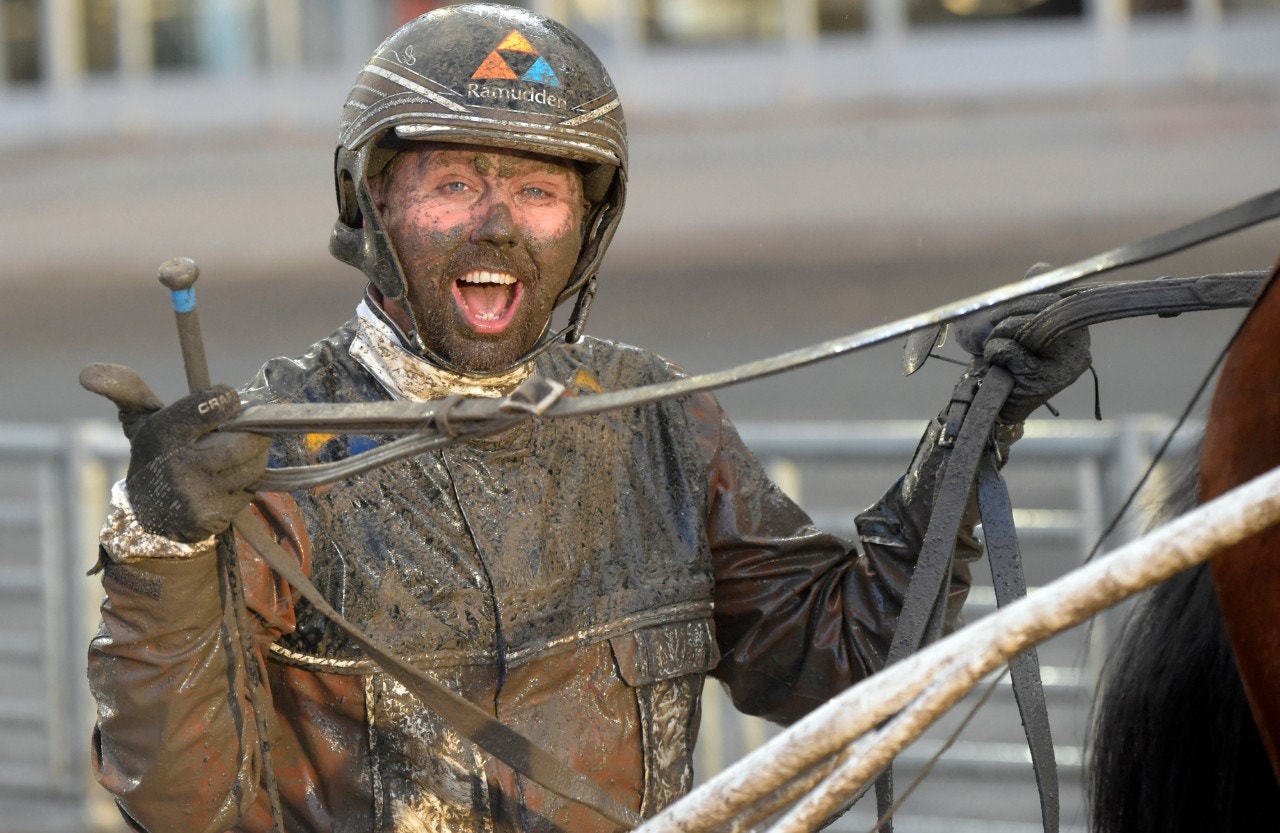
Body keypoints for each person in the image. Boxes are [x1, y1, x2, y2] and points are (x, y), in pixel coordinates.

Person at [83, 4, 1091, 833]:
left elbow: (838, 656)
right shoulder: (265, 457)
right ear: (370, 207)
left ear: (587, 228)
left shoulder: (653, 422)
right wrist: (158, 543)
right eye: (450, 184)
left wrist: (971, 431)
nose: (495, 224)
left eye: (535, 189)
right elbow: (185, 805)